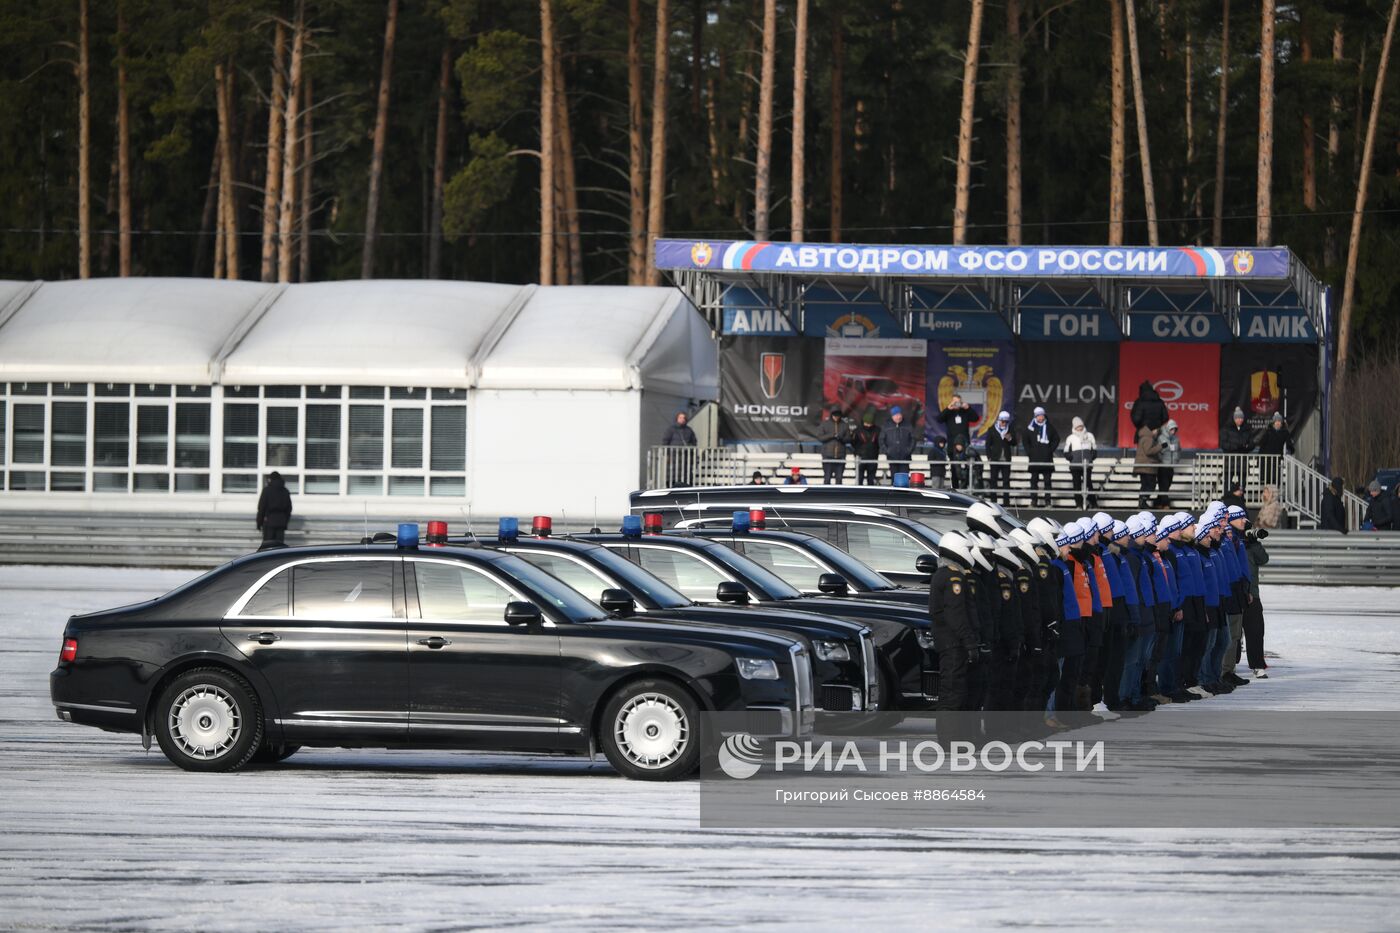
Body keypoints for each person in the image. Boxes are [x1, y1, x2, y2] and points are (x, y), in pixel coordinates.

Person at [929, 533, 981, 738]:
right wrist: (969, 642)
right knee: (952, 692)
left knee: (955, 690)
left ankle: (955, 736)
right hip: (953, 643)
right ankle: (949, 738)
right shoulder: (953, 577)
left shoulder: (945, 574)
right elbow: (956, 613)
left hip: (950, 642)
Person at [1243, 525, 1270, 677]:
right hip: (1232, 593)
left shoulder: (1251, 545)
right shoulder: (1228, 540)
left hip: (1253, 593)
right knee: (1232, 635)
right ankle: (1228, 666)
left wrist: (1254, 542)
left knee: (1256, 630)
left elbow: (1264, 559)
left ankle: (1257, 665)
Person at [1023, 407, 1060, 507]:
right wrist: (1029, 452)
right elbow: (1025, 440)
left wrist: (1049, 450)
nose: (1040, 417)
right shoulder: (1030, 428)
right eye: (1038, 415)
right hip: (1034, 459)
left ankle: (1048, 502)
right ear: (1035, 416)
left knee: (1047, 481)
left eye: (1042, 415)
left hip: (1046, 459)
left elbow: (1056, 439)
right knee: (1034, 481)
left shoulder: (1049, 427)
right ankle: (1033, 501)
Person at [1063, 417, 1098, 509]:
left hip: (1087, 466)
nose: (1079, 428)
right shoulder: (1070, 438)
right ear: (1074, 427)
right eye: (1077, 426)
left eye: (1081, 425)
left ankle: (1093, 503)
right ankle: (1079, 504)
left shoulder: (1090, 436)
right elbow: (1066, 452)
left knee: (1088, 484)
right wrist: (1073, 459)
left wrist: (1090, 459)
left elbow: (1094, 450)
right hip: (1075, 466)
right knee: (1077, 485)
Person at [984, 411, 1016, 505]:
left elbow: (1015, 443)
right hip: (995, 459)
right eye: (1002, 421)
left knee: (1006, 481)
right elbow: (987, 445)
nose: (1004, 423)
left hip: (1006, 459)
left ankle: (1006, 502)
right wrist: (989, 457)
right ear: (999, 420)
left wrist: (1010, 438)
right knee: (993, 481)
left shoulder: (1010, 429)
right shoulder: (992, 429)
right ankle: (994, 502)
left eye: (1006, 421)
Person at [879, 406, 916, 482]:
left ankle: (904, 493)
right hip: (892, 457)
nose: (898, 417)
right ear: (892, 416)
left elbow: (913, 439)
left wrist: (908, 450)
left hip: (905, 457)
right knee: (894, 478)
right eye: (895, 415)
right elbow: (881, 440)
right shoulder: (886, 426)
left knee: (904, 479)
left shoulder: (908, 425)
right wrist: (887, 451)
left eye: (899, 414)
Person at [256, 471, 292, 547]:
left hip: (269, 521)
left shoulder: (267, 490)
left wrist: (259, 523)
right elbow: (289, 508)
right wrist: (285, 521)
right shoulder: (285, 491)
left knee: (267, 546)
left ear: (270, 479)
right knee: (279, 546)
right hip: (281, 522)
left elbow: (261, 507)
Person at [662, 411, 697, 487]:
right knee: (673, 474)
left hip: (686, 457)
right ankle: (671, 486)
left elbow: (694, 442)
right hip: (674, 457)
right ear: (677, 418)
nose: (682, 419)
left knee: (686, 473)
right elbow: (665, 442)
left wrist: (690, 450)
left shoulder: (689, 430)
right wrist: (667, 455)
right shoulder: (671, 429)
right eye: (680, 417)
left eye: (684, 417)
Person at [1257, 412, 1292, 489]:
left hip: (1277, 460)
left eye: (1279, 421)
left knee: (1276, 480)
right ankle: (1267, 499)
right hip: (1266, 460)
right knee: (1267, 481)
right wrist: (1259, 459)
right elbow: (1262, 444)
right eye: (1276, 421)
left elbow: (1289, 444)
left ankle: (1274, 498)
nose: (1278, 423)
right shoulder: (1268, 431)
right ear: (1273, 422)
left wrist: (1289, 452)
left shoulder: (1284, 432)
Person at [818, 406, 851, 484]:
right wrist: (832, 435)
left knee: (839, 479)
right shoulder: (825, 424)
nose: (836, 417)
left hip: (840, 457)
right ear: (831, 415)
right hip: (827, 457)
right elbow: (820, 438)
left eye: (838, 415)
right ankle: (826, 495)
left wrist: (840, 438)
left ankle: (838, 496)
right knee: (827, 478)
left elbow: (849, 439)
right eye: (834, 415)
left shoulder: (844, 425)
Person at [1134, 424, 1163, 509]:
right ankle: (1143, 501)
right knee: (1150, 485)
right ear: (1153, 430)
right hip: (1148, 467)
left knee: (1145, 485)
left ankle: (1142, 502)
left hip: (1143, 466)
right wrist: (1161, 446)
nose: (1157, 432)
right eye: (1156, 430)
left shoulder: (1143, 437)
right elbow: (1148, 451)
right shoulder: (1149, 438)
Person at [1156, 419, 1181, 508]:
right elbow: (1158, 451)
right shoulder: (1161, 438)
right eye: (1171, 429)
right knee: (1164, 485)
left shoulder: (1176, 439)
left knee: (1167, 484)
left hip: (1171, 465)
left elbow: (1178, 450)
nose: (1173, 431)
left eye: (1174, 429)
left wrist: (1177, 459)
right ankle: (1165, 503)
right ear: (1167, 429)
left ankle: (1158, 503)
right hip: (1163, 465)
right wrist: (1161, 460)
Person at [852, 412, 881, 486]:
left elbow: (879, 443)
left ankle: (871, 496)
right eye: (866, 423)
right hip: (860, 458)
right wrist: (858, 452)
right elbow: (853, 443)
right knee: (859, 479)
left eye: (870, 423)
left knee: (871, 479)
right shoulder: (858, 430)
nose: (868, 425)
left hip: (873, 458)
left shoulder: (877, 430)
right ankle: (858, 495)